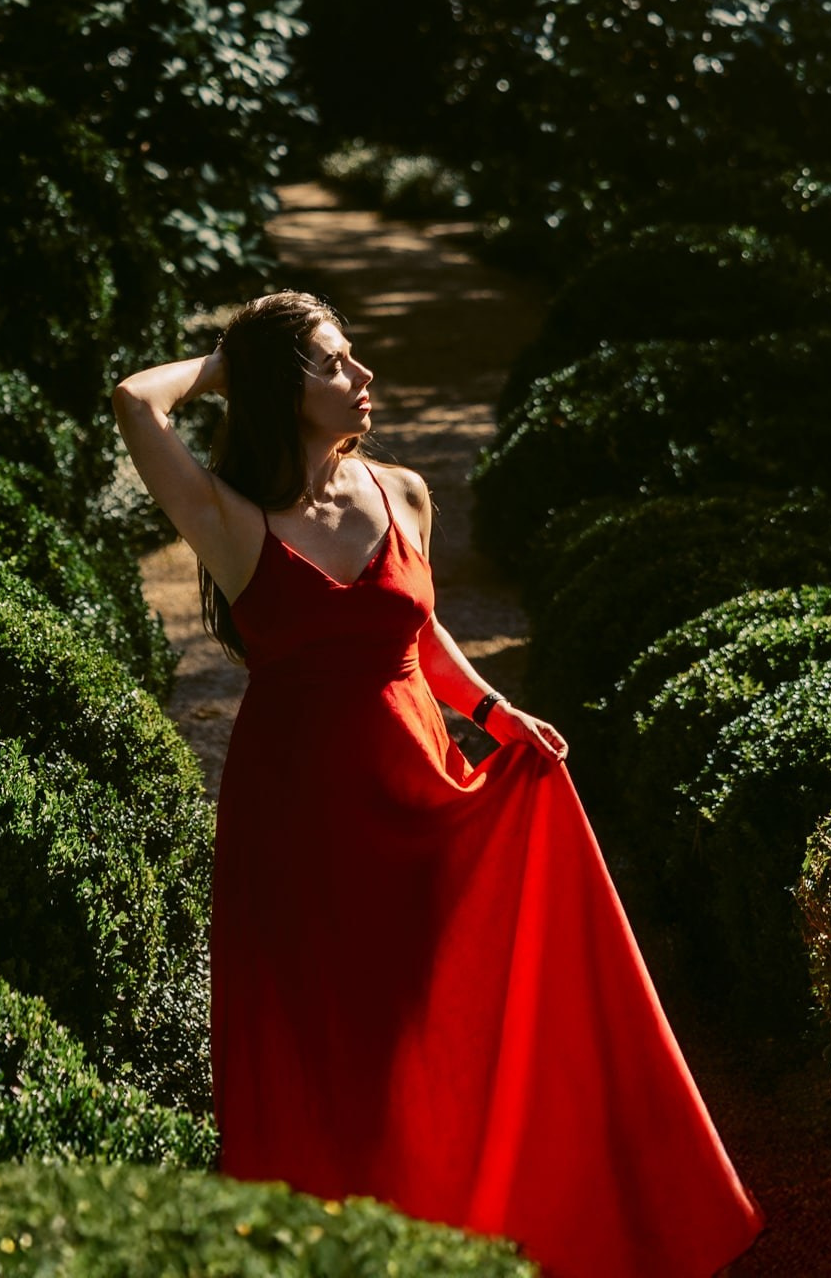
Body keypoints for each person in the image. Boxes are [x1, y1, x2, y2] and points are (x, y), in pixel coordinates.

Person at [112, 289, 765, 1278]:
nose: (362, 378)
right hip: (301, 820)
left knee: (437, 1027)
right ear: (283, 390)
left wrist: (499, 713)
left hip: (422, 787)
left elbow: (415, 632)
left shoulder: (402, 491)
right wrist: (226, 362)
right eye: (334, 363)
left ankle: (471, 1234)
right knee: (337, 1050)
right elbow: (132, 401)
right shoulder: (231, 520)